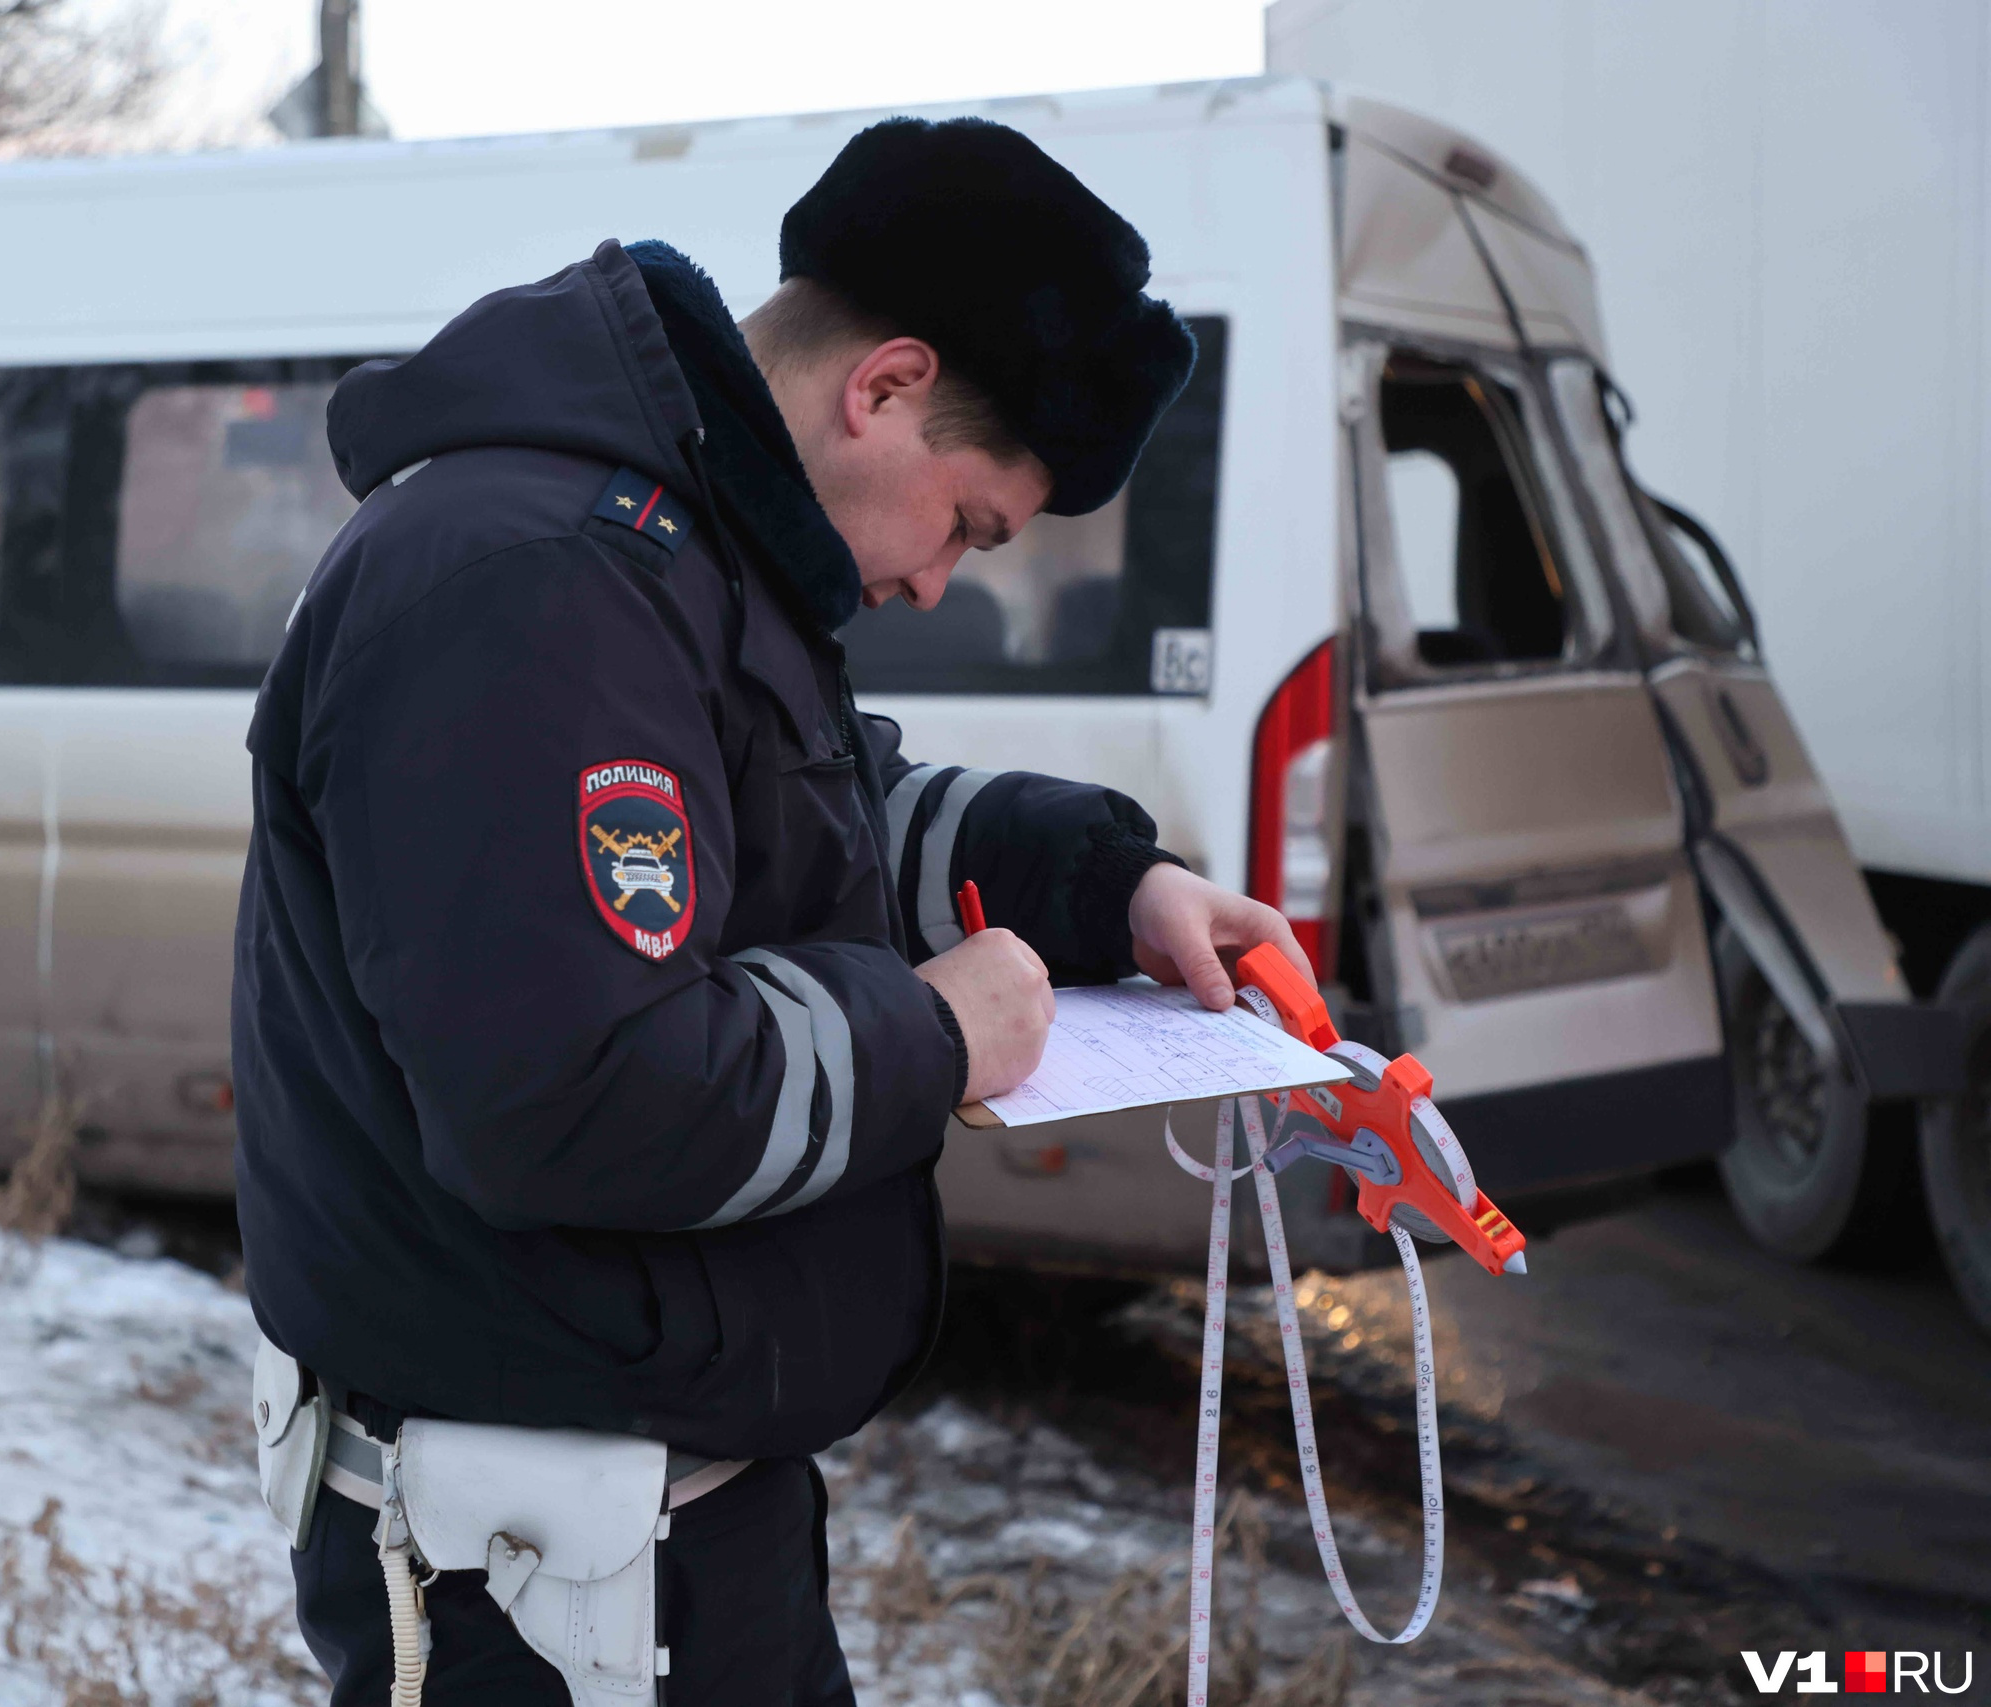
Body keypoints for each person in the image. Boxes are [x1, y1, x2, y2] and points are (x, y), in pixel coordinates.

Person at [233, 116, 1312, 1705]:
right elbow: (570, 1096)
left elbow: (827, 820)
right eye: (970, 523)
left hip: (648, 1521)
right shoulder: (533, 584)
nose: (945, 582)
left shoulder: (686, 557)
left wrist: (1111, 887)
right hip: (537, 1576)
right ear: (882, 386)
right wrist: (938, 1039)